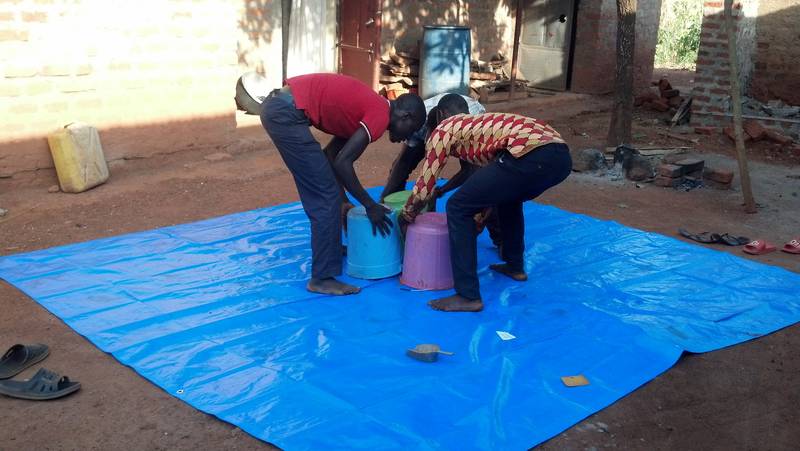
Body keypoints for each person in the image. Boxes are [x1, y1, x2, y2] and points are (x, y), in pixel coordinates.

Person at [261, 73, 425, 296]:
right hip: (286, 113)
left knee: (328, 192)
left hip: (281, 107)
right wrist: (369, 205)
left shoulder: (370, 108)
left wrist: (345, 202)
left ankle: (331, 249)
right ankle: (322, 278)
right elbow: (343, 163)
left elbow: (331, 156)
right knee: (325, 197)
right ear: (405, 116)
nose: (408, 138)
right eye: (412, 129)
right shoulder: (379, 115)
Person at [400, 111, 572, 312]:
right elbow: (492, 189)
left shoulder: (442, 130)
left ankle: (467, 295)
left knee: (456, 207)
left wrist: (407, 213)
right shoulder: (477, 129)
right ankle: (515, 266)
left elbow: (425, 186)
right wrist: (480, 218)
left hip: (530, 153)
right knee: (509, 197)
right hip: (560, 158)